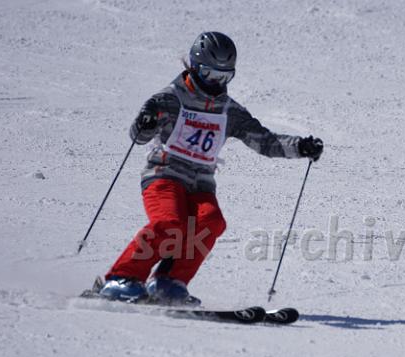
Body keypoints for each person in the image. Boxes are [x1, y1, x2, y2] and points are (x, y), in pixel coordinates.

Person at [99, 31, 323, 305]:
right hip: (163, 176)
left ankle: (168, 282)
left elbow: (265, 141)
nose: (217, 83)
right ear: (194, 67)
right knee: (170, 224)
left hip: (201, 184)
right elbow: (138, 137)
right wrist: (145, 123)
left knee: (211, 221)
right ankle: (121, 278)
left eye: (224, 77)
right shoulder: (169, 99)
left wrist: (300, 147)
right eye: (210, 74)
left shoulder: (229, 111)